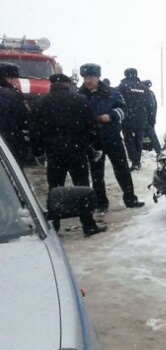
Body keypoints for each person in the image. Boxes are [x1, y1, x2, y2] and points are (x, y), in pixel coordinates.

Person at [30, 74, 107, 237]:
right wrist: (96, 147)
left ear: (52, 84)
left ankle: (53, 225)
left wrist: (38, 152)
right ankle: (88, 224)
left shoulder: (41, 102)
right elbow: (92, 126)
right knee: (82, 187)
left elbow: (34, 131)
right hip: (77, 151)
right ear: (67, 84)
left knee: (55, 188)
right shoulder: (79, 100)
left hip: (54, 153)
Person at [78, 63, 144, 212]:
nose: (88, 80)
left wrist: (112, 116)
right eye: (86, 77)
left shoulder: (112, 93)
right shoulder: (79, 95)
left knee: (122, 169)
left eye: (91, 77)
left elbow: (124, 110)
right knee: (96, 174)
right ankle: (101, 203)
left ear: (98, 77)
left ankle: (130, 198)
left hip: (112, 137)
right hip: (93, 140)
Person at [118, 68, 149, 171]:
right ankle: (137, 161)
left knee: (129, 140)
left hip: (127, 118)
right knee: (138, 140)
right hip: (141, 118)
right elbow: (150, 104)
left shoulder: (122, 87)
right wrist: (150, 119)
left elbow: (117, 102)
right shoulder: (144, 88)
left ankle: (135, 162)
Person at [0, 62, 30, 166]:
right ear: (8, 78)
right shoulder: (14, 95)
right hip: (11, 140)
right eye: (14, 78)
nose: (16, 81)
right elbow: (24, 119)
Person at [142, 79, 162, 154]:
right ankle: (158, 150)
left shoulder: (144, 94)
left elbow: (153, 107)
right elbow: (153, 107)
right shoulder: (151, 94)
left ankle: (143, 148)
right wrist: (152, 118)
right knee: (151, 134)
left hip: (144, 119)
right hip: (148, 118)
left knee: (143, 134)